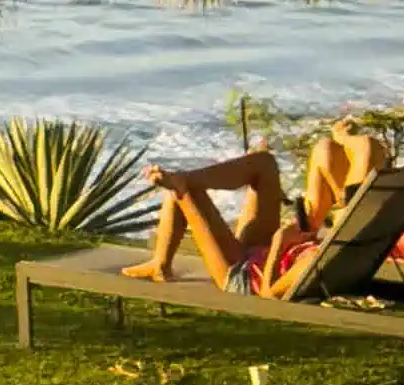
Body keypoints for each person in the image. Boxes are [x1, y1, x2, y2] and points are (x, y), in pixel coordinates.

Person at [145, 117, 384, 293]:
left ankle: (160, 263)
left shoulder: (324, 261)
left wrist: (280, 244)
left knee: (185, 191)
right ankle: (187, 181)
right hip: (265, 250)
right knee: (265, 163)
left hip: (244, 276)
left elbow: (269, 294)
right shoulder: (348, 241)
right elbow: (366, 149)